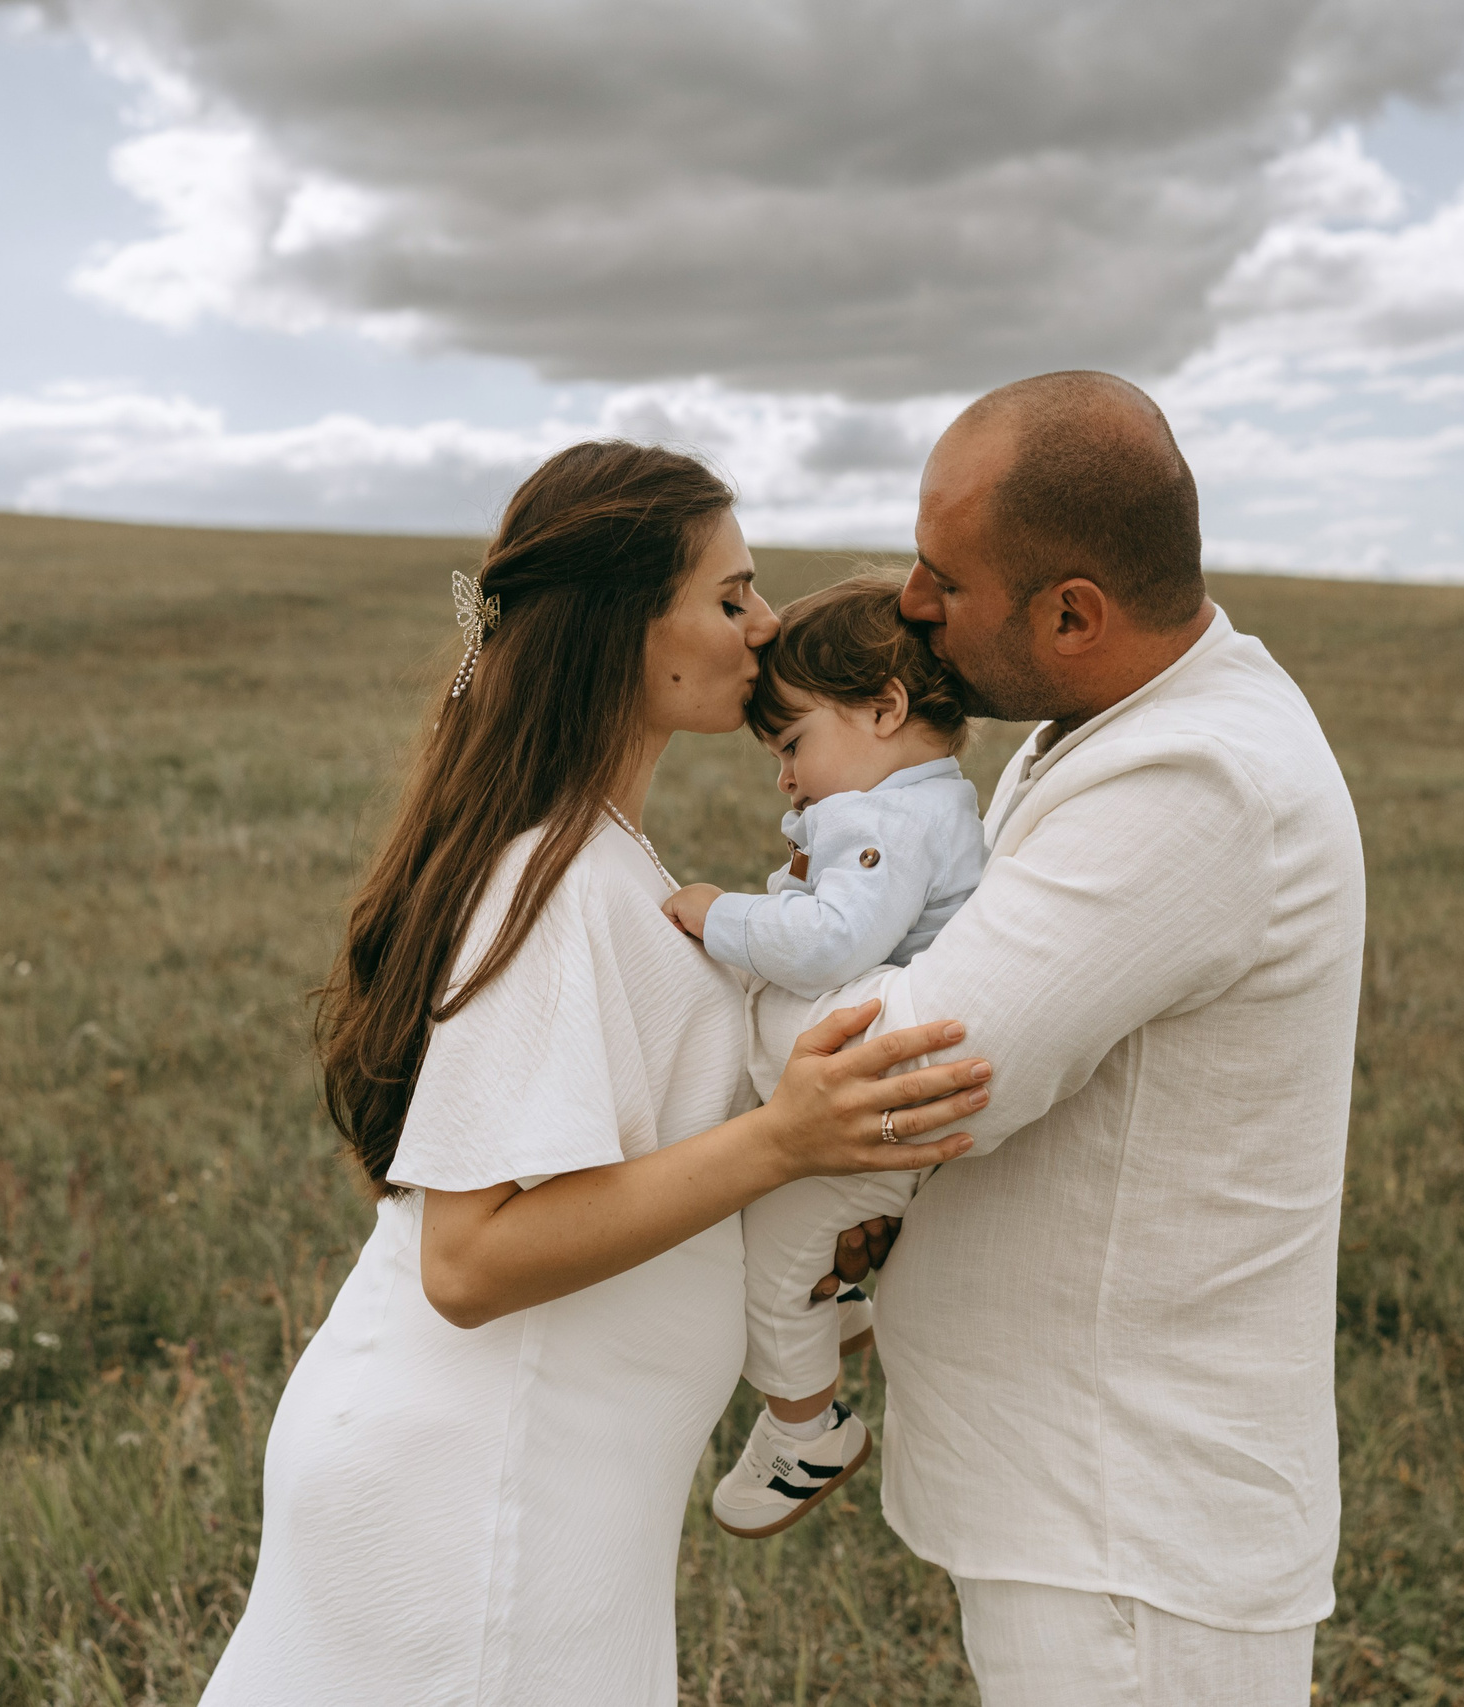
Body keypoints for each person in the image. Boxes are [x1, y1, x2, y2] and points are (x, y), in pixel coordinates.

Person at [197, 441, 991, 1707]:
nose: (766, 623)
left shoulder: (606, 853)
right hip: (481, 1484)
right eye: (728, 596)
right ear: (629, 628)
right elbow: (467, 1262)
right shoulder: (552, 878)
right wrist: (784, 1141)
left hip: (551, 1476)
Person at [755, 372, 1367, 1705]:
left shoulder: (1195, 778)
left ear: (1073, 613)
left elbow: (918, 1069)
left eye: (942, 578)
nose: (909, 605)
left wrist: (717, 957)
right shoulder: (1103, 721)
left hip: (1130, 1524)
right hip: (1087, 1496)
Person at [657, 572, 989, 1538]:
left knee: (769, 1265)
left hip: (864, 1105)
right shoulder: (924, 805)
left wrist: (721, 913)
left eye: (794, 742)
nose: (785, 778)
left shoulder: (887, 820)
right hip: (870, 1098)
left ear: (884, 708)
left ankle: (808, 1430)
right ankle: (838, 1305)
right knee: (798, 1243)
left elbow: (832, 941)